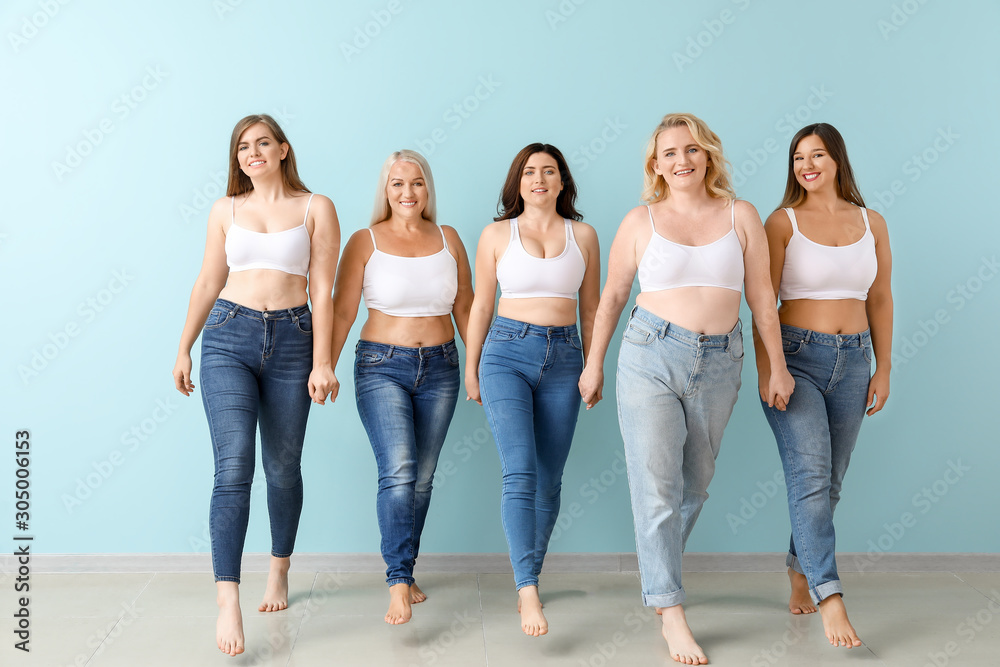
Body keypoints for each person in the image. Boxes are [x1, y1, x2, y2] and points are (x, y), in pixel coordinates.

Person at [578, 113, 793, 665]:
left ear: (709, 157)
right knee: (655, 486)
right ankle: (671, 610)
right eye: (670, 153)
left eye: (692, 150)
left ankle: (659, 579)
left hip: (723, 358)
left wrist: (778, 368)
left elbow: (763, 299)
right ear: (656, 165)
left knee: (694, 485)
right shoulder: (639, 221)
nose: (682, 160)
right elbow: (612, 298)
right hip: (649, 353)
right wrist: (594, 363)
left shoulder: (740, 215)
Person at [172, 114, 340, 656]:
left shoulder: (316, 208)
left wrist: (323, 362)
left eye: (262, 143)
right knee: (234, 465)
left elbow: (323, 289)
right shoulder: (225, 210)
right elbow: (208, 279)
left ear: (284, 149)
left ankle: (279, 568)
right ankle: (228, 598)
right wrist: (183, 346)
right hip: (227, 337)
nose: (252, 153)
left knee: (283, 468)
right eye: (243, 147)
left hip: (294, 339)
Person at [754, 123, 892, 649]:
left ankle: (799, 567)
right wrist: (772, 369)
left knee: (830, 482)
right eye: (797, 158)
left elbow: (880, 297)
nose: (806, 165)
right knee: (810, 477)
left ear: (837, 160)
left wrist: (883, 367)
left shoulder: (871, 221)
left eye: (816, 155)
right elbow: (762, 302)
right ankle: (831, 596)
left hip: (855, 360)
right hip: (795, 358)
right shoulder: (781, 222)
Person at [330, 150, 473, 625]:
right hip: (381, 366)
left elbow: (467, 309)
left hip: (442, 367)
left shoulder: (449, 238)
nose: (407, 192)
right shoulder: (364, 241)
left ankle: (407, 571)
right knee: (399, 469)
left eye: (416, 183)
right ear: (385, 190)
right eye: (397, 184)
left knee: (423, 477)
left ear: (427, 189)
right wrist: (323, 367)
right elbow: (343, 310)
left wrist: (478, 367)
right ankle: (396, 581)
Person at [465, 143, 601, 637]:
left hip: (566, 358)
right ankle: (527, 591)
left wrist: (594, 365)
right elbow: (481, 305)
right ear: (517, 183)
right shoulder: (496, 234)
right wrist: (472, 367)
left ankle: (531, 573)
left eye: (548, 171)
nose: (538, 179)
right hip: (505, 354)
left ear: (562, 181)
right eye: (529, 172)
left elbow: (592, 311)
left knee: (550, 478)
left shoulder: (583, 235)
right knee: (519, 471)